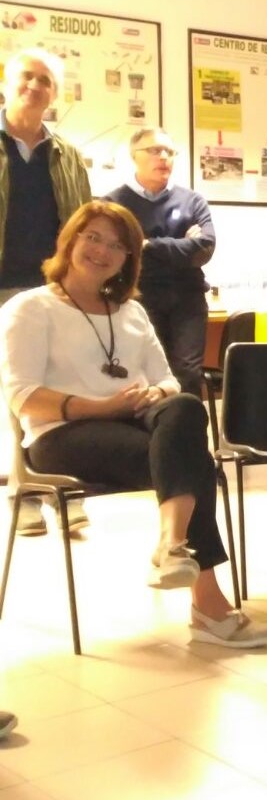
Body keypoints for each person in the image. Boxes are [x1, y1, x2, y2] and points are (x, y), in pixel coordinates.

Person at [0, 201, 267, 648]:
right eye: (93, 237)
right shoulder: (30, 308)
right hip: (59, 435)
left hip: (137, 421)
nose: (102, 251)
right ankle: (205, 600)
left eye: (117, 245)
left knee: (184, 405)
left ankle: (172, 545)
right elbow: (23, 396)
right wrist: (102, 407)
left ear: (129, 258)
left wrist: (153, 395)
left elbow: (166, 380)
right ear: (70, 240)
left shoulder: (131, 312)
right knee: (192, 460)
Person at [2, 47, 93, 537]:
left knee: (68, 388)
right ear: (6, 82)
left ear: (54, 93)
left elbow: (84, 224)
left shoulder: (68, 156)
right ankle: (26, 497)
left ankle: (68, 488)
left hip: (55, 289)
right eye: (27, 76)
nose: (35, 86)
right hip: (3, 289)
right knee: (19, 397)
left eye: (45, 80)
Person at [102, 128, 217, 398]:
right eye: (154, 150)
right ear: (134, 156)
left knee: (187, 373)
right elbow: (114, 253)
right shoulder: (114, 203)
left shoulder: (192, 201)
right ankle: (152, 426)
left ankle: (188, 425)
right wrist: (181, 246)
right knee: (146, 374)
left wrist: (147, 245)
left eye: (169, 152)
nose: (163, 157)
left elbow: (204, 248)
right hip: (137, 297)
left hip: (187, 299)